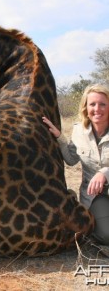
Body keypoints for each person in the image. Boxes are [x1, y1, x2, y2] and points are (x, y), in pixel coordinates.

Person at [42, 83, 109, 245]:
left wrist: (104, 172)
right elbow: (71, 160)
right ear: (85, 107)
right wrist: (59, 137)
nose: (97, 109)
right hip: (95, 196)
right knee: (106, 236)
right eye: (92, 104)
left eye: (103, 104)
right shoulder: (79, 130)